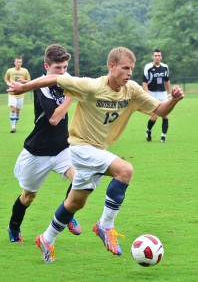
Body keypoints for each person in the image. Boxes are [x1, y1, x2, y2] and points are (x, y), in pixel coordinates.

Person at [7, 47, 184, 262]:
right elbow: (52, 78)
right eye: (125, 68)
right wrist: (23, 87)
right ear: (112, 67)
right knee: (125, 170)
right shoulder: (92, 86)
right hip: (79, 148)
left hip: (97, 151)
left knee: (75, 203)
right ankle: (105, 225)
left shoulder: (133, 90)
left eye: (132, 68)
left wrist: (173, 99)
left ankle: (46, 239)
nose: (129, 72)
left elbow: (160, 110)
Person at [8, 44, 81, 243]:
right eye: (58, 68)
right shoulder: (42, 87)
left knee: (80, 180)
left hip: (61, 149)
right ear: (47, 66)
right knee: (28, 197)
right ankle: (14, 226)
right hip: (37, 152)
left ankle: (68, 215)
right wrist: (71, 96)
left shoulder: (66, 82)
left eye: (65, 67)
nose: (63, 72)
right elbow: (55, 119)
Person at [142, 49, 171, 143]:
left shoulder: (165, 67)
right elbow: (144, 82)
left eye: (159, 55)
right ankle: (148, 131)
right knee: (154, 116)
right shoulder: (148, 67)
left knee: (165, 115)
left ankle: (163, 137)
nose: (157, 57)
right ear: (153, 57)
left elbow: (166, 81)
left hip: (162, 93)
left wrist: (169, 93)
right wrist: (147, 94)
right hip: (152, 93)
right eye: (155, 55)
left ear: (161, 57)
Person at [4, 56, 31, 133]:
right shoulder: (10, 70)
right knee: (13, 109)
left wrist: (23, 80)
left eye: (20, 62)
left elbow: (29, 80)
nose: (18, 63)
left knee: (18, 111)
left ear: (21, 63)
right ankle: (13, 127)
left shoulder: (25, 71)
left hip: (21, 93)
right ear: (14, 62)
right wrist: (8, 83)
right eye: (17, 62)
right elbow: (6, 78)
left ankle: (14, 125)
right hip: (12, 92)